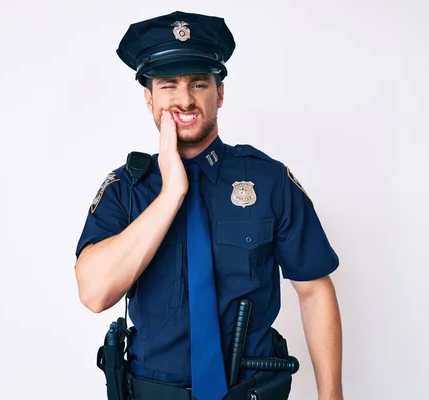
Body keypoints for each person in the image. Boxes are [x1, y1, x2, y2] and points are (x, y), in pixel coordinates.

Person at [74, 10, 343, 400]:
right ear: (149, 99)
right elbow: (95, 293)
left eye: (199, 83)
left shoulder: (268, 181)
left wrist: (331, 396)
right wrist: (171, 194)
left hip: (248, 390)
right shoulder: (125, 188)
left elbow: (315, 290)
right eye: (168, 85)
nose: (185, 99)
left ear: (219, 93)